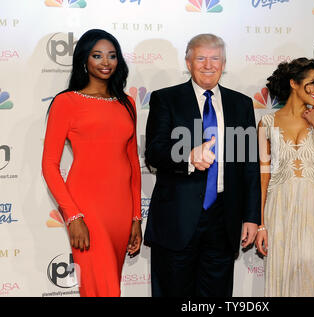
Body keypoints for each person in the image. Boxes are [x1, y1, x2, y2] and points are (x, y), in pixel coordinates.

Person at [144, 33, 261, 297]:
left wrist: (252, 217)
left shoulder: (240, 104)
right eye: (201, 58)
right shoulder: (166, 99)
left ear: (224, 63)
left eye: (215, 58)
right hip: (177, 219)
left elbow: (249, 164)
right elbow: (154, 152)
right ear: (188, 62)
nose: (208, 65)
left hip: (223, 219)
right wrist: (188, 157)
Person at [42, 29, 142, 297]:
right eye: (97, 55)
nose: (105, 62)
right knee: (104, 288)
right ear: (84, 59)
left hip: (120, 210)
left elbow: (132, 164)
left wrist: (136, 218)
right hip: (86, 208)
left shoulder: (128, 103)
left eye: (112, 56)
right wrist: (73, 216)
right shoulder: (66, 102)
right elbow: (50, 165)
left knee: (110, 285)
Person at [255, 58, 314, 296]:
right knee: (284, 277)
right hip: (280, 208)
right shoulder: (266, 123)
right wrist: (261, 224)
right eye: (312, 83)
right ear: (294, 83)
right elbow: (263, 178)